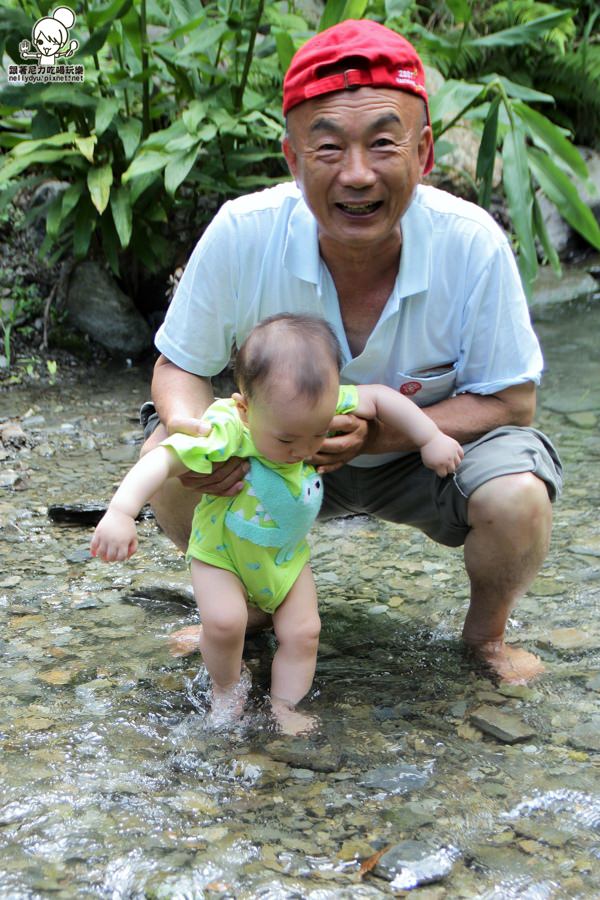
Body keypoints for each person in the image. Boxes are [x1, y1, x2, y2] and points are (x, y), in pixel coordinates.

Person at [141, 19, 562, 685]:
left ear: (424, 153)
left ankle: (485, 640)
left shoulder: (472, 243)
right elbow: (180, 367)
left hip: (419, 457)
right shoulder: (243, 232)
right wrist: (201, 437)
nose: (358, 175)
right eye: (329, 148)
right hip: (268, 453)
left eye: (384, 143)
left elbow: (514, 401)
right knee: (164, 460)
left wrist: (377, 435)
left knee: (518, 492)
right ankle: (244, 609)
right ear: (292, 158)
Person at [92, 314, 463, 733]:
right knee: (225, 623)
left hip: (285, 558)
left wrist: (429, 437)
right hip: (222, 554)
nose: (302, 450)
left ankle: (286, 705)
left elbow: (379, 397)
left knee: (304, 633)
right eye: (287, 440)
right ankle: (227, 687)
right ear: (245, 409)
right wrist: (122, 512)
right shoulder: (229, 429)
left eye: (316, 434)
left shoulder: (309, 406)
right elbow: (163, 458)